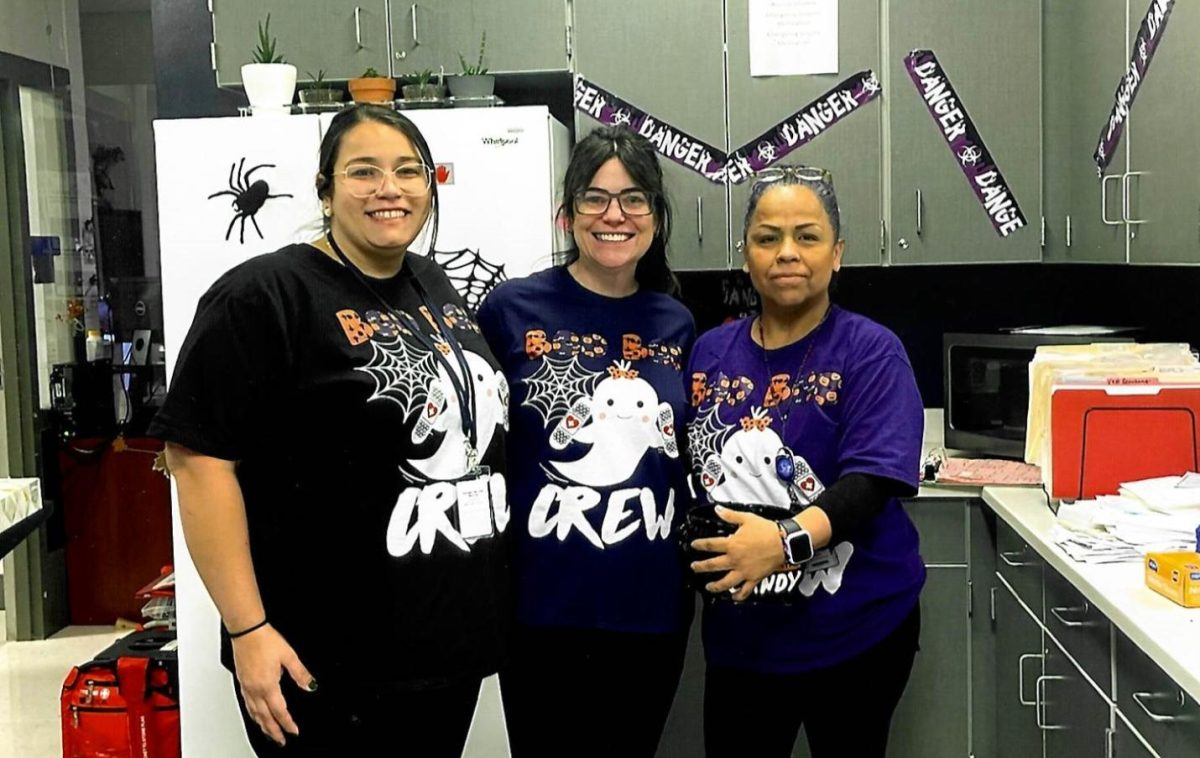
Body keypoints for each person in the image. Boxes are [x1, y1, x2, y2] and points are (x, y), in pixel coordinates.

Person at [150, 105, 510, 757]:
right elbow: (198, 463)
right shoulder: (264, 296)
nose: (389, 188)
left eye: (408, 171)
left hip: (440, 652)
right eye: (363, 171)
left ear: (430, 187)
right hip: (324, 661)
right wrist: (247, 628)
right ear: (325, 190)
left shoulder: (428, 283)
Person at [683, 165, 925, 758]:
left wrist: (782, 544)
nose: (786, 253)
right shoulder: (711, 351)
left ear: (837, 254)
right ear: (746, 253)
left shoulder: (871, 351)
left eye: (807, 236)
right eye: (768, 238)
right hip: (743, 638)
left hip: (855, 631)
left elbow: (870, 483)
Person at [476, 126, 696, 758]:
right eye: (594, 198)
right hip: (542, 607)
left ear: (655, 215)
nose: (614, 215)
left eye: (633, 199)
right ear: (566, 213)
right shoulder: (510, 309)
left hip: (651, 606)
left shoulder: (674, 320)